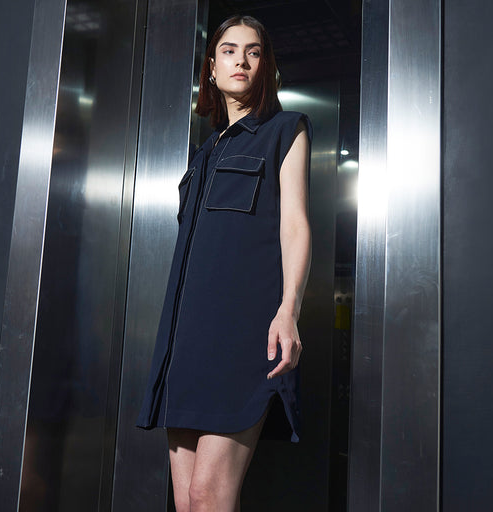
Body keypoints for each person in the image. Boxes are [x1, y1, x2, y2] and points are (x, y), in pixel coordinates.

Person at [136, 14, 312, 512]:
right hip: (185, 342)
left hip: (242, 336)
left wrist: (289, 309)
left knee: (209, 496)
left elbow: (295, 225)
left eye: (253, 52)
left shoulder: (286, 130)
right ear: (211, 68)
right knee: (188, 500)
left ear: (266, 66)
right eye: (229, 51)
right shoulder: (202, 155)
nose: (241, 61)